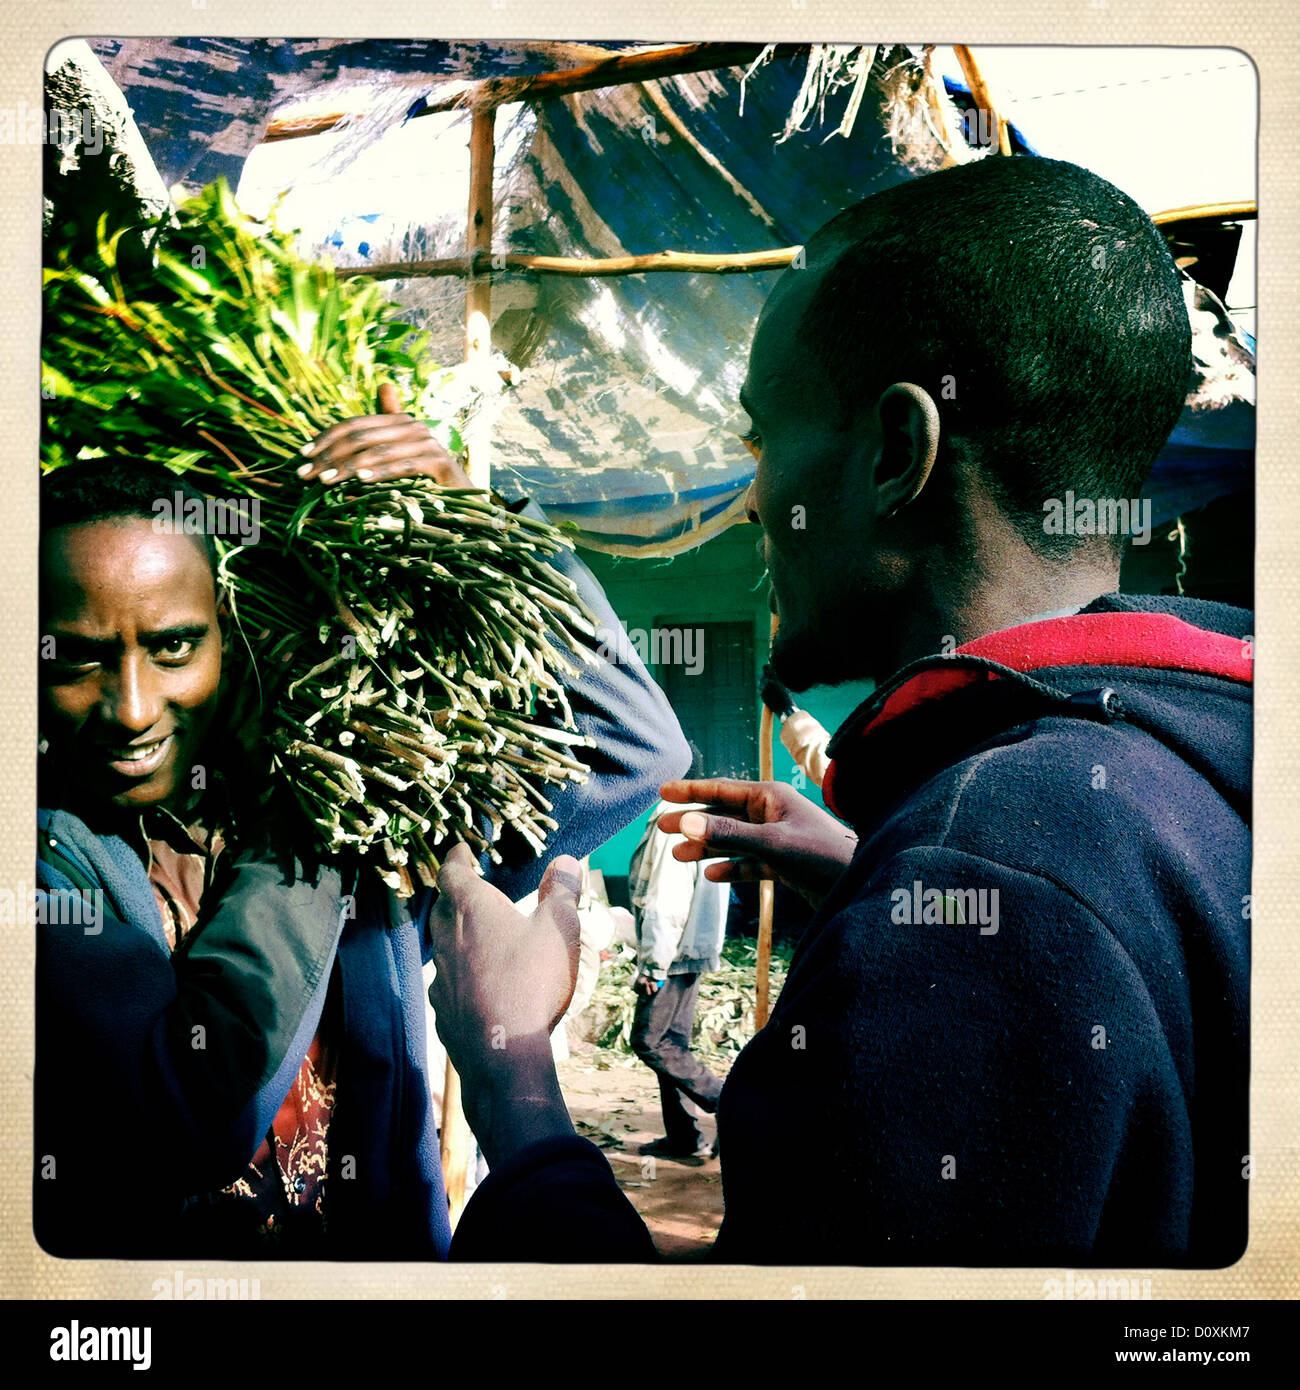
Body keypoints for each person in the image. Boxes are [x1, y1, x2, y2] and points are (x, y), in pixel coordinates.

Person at [428, 155, 1252, 1267]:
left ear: (895, 455)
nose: (758, 493)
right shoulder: (1198, 760)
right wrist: (888, 875)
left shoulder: (993, 868)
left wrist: (511, 1065)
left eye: (764, 435)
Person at [34, 393, 690, 1258]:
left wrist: (482, 522)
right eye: (80, 656)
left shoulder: (374, 836)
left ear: (232, 634)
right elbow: (193, 1113)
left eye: (173, 646)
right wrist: (306, 814)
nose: (130, 707)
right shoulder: (47, 865)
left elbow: (631, 748)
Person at [627, 798, 729, 1161]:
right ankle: (685, 1138)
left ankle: (730, 1102)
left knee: (650, 1041)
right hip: (694, 947)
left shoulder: (673, 823)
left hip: (672, 952)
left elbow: (665, 903)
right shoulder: (707, 819)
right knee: (672, 1043)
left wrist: (653, 965)